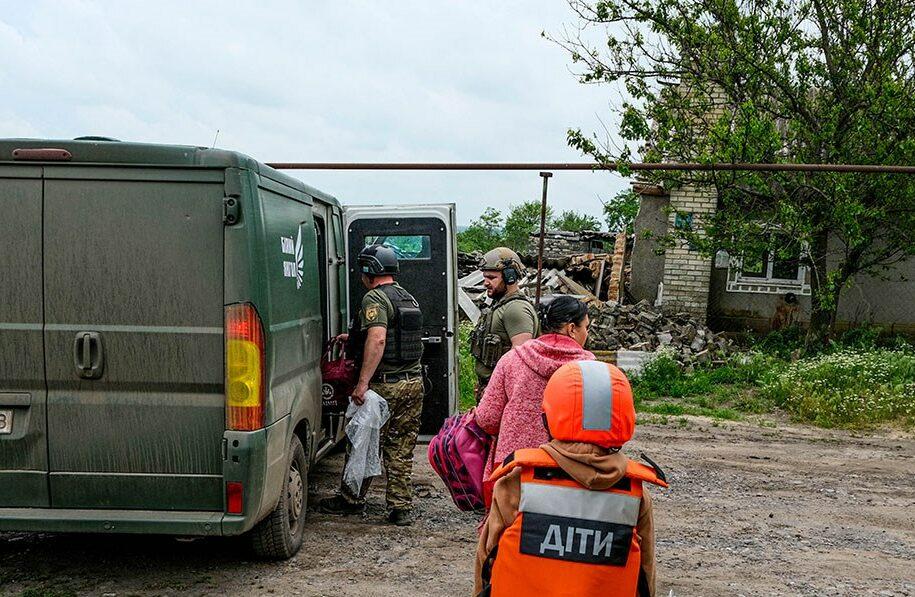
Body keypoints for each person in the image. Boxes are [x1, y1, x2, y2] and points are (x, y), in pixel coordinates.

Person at [474, 360, 668, 597]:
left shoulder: (517, 483)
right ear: (625, 420)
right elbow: (645, 577)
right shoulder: (634, 495)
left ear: (548, 418)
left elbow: (486, 562)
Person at [319, 244, 424, 526]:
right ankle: (400, 507)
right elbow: (395, 336)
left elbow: (378, 339)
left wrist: (362, 384)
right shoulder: (407, 297)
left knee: (363, 443)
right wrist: (351, 337)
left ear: (369, 270)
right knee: (401, 447)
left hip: (384, 387)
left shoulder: (374, 298)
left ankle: (351, 500)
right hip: (412, 383)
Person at [474, 295, 593, 481]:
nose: (587, 333)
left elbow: (488, 419)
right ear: (571, 329)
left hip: (513, 465)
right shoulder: (592, 369)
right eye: (586, 327)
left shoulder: (512, 360)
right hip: (573, 468)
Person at [469, 247, 539, 402]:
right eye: (484, 277)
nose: (485, 282)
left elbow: (520, 359)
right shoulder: (499, 305)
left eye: (492, 278)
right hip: (491, 389)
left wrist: (495, 391)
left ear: (510, 277)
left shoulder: (516, 309)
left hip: (503, 394)